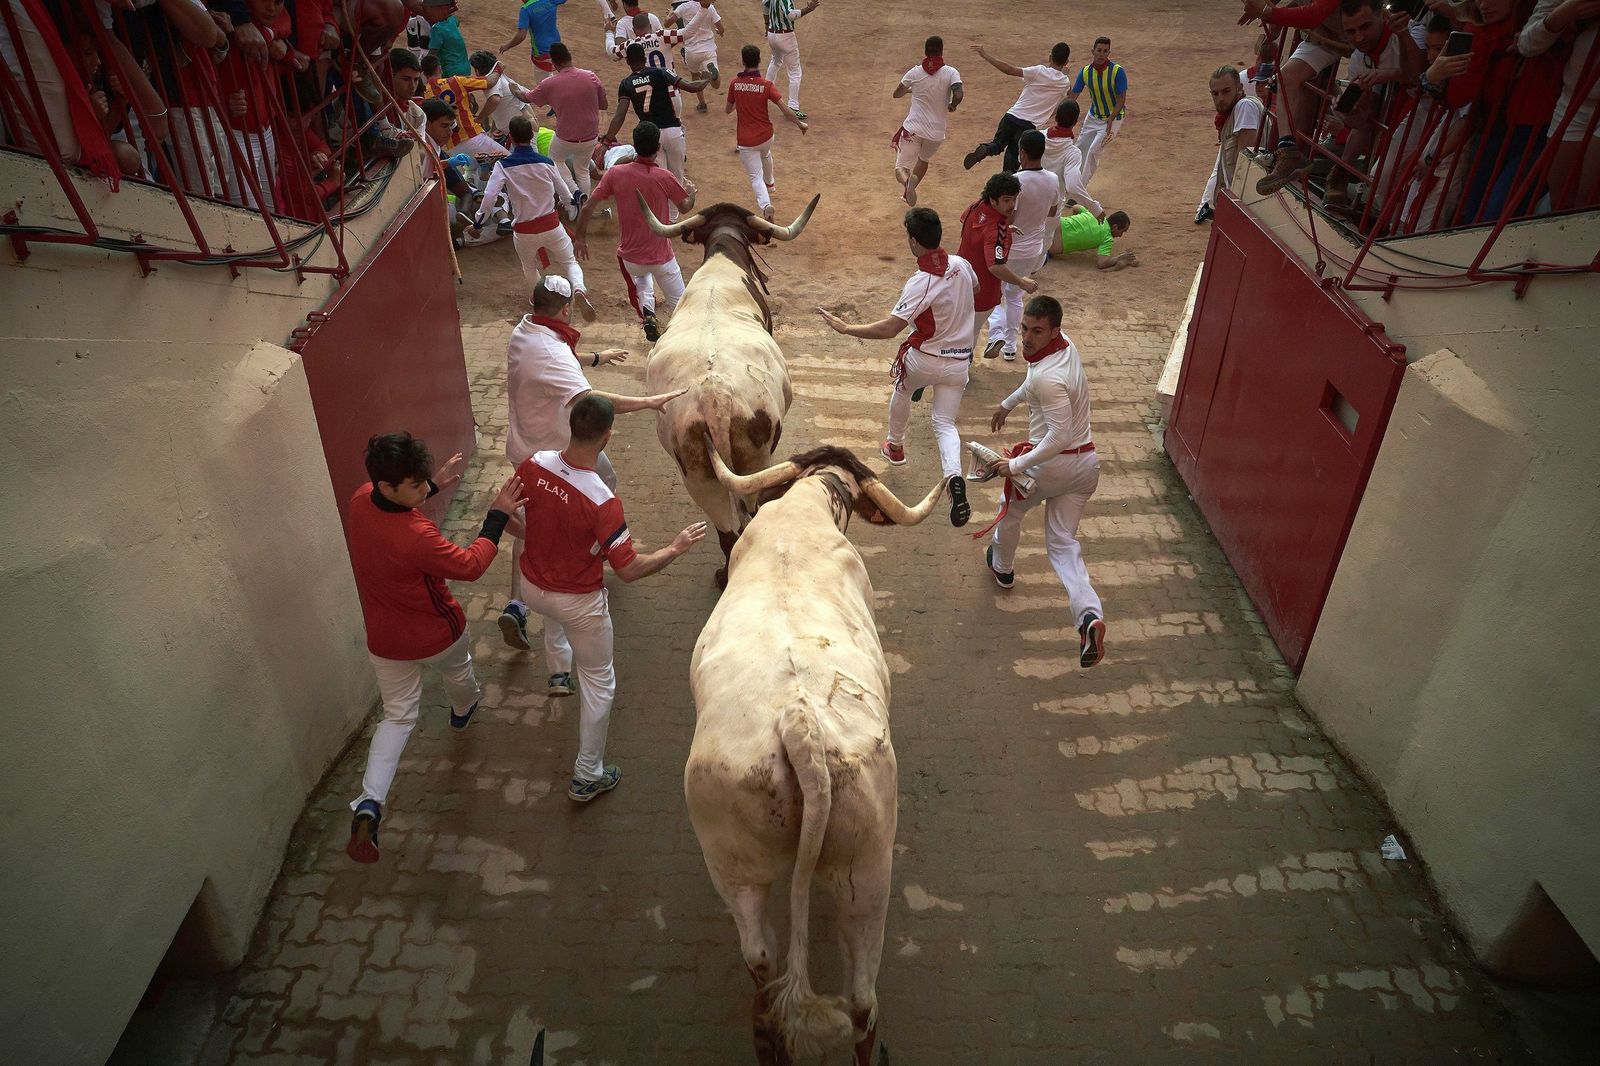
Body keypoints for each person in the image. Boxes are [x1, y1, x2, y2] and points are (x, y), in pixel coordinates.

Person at [514, 395, 708, 802]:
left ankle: (557, 671)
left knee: (554, 616)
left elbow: (507, 513)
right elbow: (629, 570)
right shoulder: (602, 500)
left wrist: (542, 538)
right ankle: (587, 774)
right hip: (578, 601)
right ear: (607, 437)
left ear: (571, 424)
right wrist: (674, 549)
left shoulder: (533, 465)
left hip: (532, 588)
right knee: (599, 681)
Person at [344, 433, 527, 862]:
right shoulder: (416, 534)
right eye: (417, 485)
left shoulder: (359, 499)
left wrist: (435, 484)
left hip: (385, 640)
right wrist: (496, 516)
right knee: (461, 676)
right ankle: (462, 714)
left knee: (397, 717)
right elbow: (471, 565)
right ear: (388, 487)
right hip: (437, 636)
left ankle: (370, 803)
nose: (426, 489)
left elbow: (399, 507)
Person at [499, 276, 684, 649]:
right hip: (553, 452)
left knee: (532, 518)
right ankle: (595, 548)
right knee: (602, 486)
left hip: (524, 446)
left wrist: (597, 358)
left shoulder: (525, 330)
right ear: (566, 309)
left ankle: (517, 605)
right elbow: (592, 402)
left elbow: (557, 360)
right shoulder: (551, 352)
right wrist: (648, 402)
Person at [815, 207, 977, 527]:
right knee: (944, 423)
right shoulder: (961, 264)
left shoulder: (921, 282)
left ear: (914, 242)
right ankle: (954, 477)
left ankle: (895, 445)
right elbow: (975, 289)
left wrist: (847, 329)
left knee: (903, 388)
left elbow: (890, 328)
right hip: (960, 362)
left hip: (925, 359)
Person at [980, 295, 1106, 669]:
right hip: (1086, 467)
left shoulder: (1050, 379)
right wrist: (1008, 402)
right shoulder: (1066, 349)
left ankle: (1002, 568)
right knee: (1064, 543)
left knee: (1011, 511)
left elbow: (1058, 437)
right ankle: (1088, 618)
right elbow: (1032, 382)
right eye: (1024, 329)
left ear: (1054, 330)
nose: (1028, 338)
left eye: (1037, 331)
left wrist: (1015, 463)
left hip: (1052, 465)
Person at [574, 121, 699, 341]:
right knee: (681, 304)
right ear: (658, 148)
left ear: (635, 145)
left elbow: (587, 207)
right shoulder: (665, 177)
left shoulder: (615, 174)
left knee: (641, 279)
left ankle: (648, 312)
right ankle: (686, 339)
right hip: (662, 256)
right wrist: (692, 193)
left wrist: (581, 239)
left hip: (631, 257)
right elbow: (685, 207)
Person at [475, 116, 588, 306]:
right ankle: (578, 288)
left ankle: (538, 301)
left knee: (529, 267)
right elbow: (565, 193)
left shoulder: (503, 166)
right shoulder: (547, 162)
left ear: (510, 137)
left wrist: (479, 221)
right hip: (552, 226)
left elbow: (489, 197)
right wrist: (567, 203)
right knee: (570, 262)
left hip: (524, 231)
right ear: (531, 135)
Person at [985, 130, 1059, 362]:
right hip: (1033, 249)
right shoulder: (1053, 179)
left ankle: (995, 333)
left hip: (1010, 248)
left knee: (991, 293)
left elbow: (1008, 217)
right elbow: (1053, 211)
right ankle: (1009, 347)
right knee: (1015, 297)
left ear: (1022, 153)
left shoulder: (1017, 181)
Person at [1519, 0, 1600, 209]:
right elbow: (1526, 43)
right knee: (1561, 198)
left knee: (1589, 200)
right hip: (1575, 98)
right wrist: (1564, 13)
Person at [601, 40, 711, 183]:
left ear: (628, 61)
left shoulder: (626, 84)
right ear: (645, 58)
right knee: (677, 178)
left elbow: (619, 116)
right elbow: (692, 87)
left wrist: (608, 139)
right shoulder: (661, 72)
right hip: (673, 130)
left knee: (659, 179)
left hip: (651, 136)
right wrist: (706, 79)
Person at [958, 172, 1038, 359]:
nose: (1012, 205)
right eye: (1007, 200)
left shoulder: (976, 206)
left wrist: (998, 233)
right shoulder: (996, 229)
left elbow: (967, 223)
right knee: (970, 333)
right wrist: (1022, 282)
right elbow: (995, 266)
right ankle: (960, 373)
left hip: (960, 279)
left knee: (960, 328)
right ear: (993, 201)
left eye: (1014, 199)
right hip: (982, 292)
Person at [963, 41, 1074, 173]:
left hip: (1011, 117)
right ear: (1066, 61)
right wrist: (1064, 75)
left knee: (997, 144)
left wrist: (985, 55)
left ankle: (987, 149)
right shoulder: (1065, 82)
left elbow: (1009, 70)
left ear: (1050, 57)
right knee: (1012, 159)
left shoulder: (1039, 71)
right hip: (1028, 127)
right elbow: (1070, 97)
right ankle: (1006, 181)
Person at [727, 43, 808, 221]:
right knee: (765, 154)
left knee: (756, 177)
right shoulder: (766, 85)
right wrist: (799, 124)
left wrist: (740, 99)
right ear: (759, 61)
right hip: (766, 136)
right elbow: (784, 109)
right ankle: (770, 183)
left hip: (746, 141)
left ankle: (766, 205)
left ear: (743, 61)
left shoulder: (735, 83)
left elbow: (728, 109)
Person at [524, 42, 608, 204]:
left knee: (554, 160)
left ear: (554, 65)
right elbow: (603, 105)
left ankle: (574, 191)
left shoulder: (549, 83)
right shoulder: (590, 76)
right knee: (582, 170)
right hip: (590, 136)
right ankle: (583, 205)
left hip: (565, 137)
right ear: (569, 57)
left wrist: (514, 89)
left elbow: (527, 97)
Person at [892, 35, 963, 207]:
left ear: (925, 51)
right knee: (923, 160)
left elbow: (897, 93)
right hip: (936, 133)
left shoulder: (915, 72)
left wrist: (910, 90)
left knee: (900, 168)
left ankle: (907, 183)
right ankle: (908, 191)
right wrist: (952, 105)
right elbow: (958, 94)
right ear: (941, 51)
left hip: (913, 128)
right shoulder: (951, 72)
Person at [1197, 64, 1266, 223]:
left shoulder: (1244, 106)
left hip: (1247, 203)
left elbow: (1245, 161)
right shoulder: (1233, 112)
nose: (1220, 98)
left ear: (1240, 87)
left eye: (1226, 91)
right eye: (1215, 94)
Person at [422, 53, 510, 158]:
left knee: (473, 171)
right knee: (508, 161)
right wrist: (498, 69)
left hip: (452, 147)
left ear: (423, 73)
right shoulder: (456, 81)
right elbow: (490, 82)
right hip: (472, 137)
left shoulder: (422, 93)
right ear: (439, 68)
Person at [1069, 36, 1129, 185]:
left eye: (1105, 51)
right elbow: (1073, 97)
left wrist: (1111, 118)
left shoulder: (1117, 71)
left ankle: (1079, 189)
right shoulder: (1085, 72)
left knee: (1093, 152)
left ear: (1109, 53)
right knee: (1079, 149)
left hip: (1113, 119)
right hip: (1093, 116)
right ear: (1093, 51)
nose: (1102, 54)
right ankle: (1072, 183)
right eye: (1099, 50)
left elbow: (1122, 99)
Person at [1042, 100, 1104, 219]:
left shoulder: (1037, 136)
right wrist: (1095, 208)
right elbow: (1073, 186)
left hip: (1028, 198)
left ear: (1056, 116)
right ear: (1075, 122)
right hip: (1052, 207)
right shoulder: (1072, 153)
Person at [763, 0, 821, 118]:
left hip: (772, 33)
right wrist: (808, 9)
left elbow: (764, 4)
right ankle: (793, 107)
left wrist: (766, 24)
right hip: (785, 36)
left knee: (775, 61)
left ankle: (763, 95)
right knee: (795, 71)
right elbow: (790, 15)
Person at [469, 51, 533, 140]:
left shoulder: (491, 81)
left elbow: (494, 100)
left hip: (521, 132)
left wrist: (479, 119)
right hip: (521, 128)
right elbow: (500, 106)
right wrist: (492, 130)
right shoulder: (498, 77)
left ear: (477, 70)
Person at [1050, 206, 1136, 270]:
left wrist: (1075, 224)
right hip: (1049, 247)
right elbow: (1102, 264)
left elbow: (1076, 207)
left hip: (1049, 225)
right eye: (1122, 231)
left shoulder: (1094, 214)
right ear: (1115, 227)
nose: (1120, 236)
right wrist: (1119, 257)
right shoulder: (1107, 238)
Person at [501, 0, 568, 82]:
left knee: (544, 85)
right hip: (557, 47)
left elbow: (521, 36)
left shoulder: (525, 9)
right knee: (563, 74)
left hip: (541, 52)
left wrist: (507, 46)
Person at [676, 0, 725, 110]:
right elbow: (721, 28)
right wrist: (719, 31)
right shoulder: (710, 7)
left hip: (691, 50)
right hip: (708, 48)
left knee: (695, 75)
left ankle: (702, 104)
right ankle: (711, 73)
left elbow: (668, 22)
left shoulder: (684, 7)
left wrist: (671, 13)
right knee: (716, 85)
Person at [421, 1, 470, 77]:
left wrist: (418, 69)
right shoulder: (452, 20)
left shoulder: (437, 29)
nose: (426, 15)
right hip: (465, 69)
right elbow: (457, 22)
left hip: (450, 73)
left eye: (427, 11)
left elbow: (432, 55)